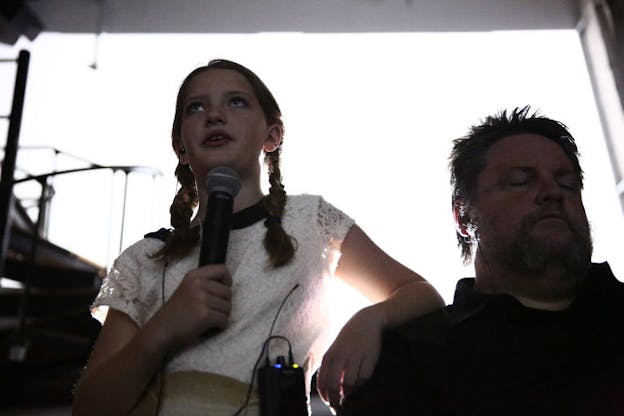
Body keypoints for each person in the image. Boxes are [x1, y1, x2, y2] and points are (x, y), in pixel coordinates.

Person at [71, 59, 444, 416]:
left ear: (272, 134)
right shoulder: (146, 258)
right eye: (196, 108)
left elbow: (421, 294)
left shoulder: (311, 221)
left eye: (236, 102)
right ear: (181, 146)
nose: (215, 115)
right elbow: (89, 407)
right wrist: (161, 330)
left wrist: (369, 319)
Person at [338, 106, 624, 416]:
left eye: (567, 184)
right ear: (462, 215)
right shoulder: (410, 360)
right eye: (519, 181)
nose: (552, 192)